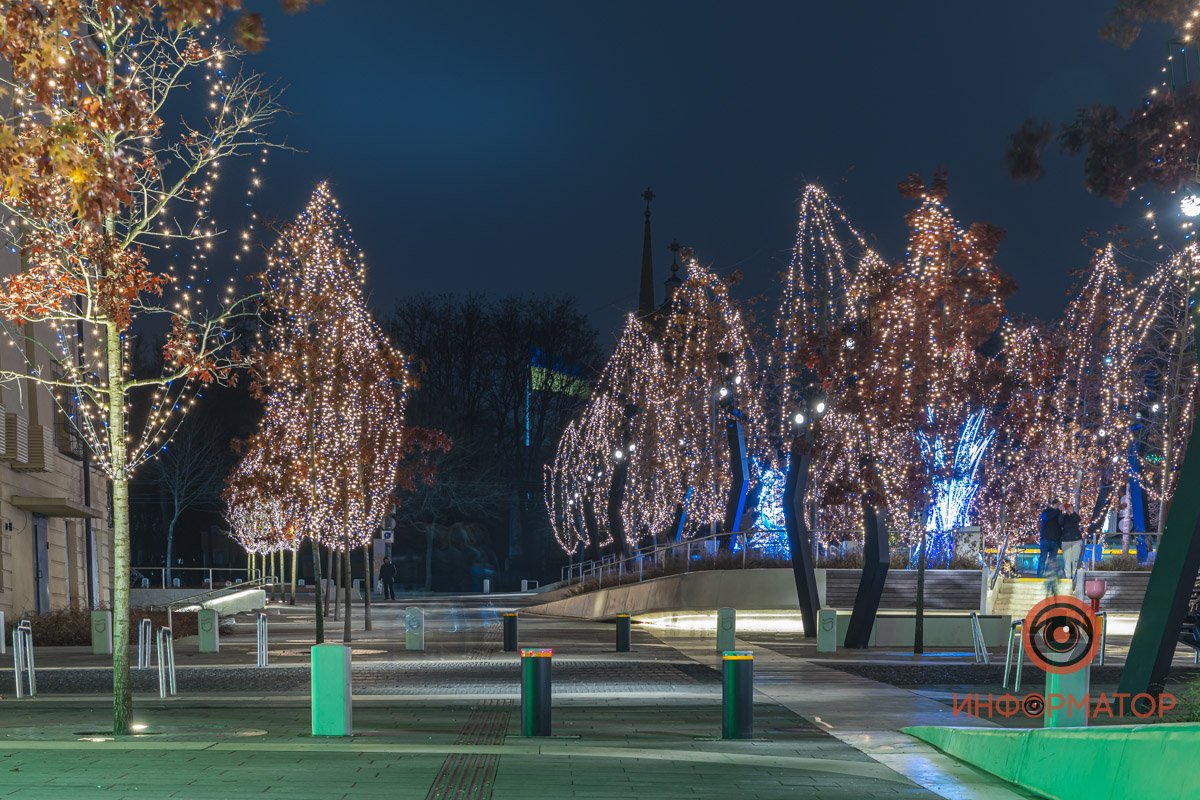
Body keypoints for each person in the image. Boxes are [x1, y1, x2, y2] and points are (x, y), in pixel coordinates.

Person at [1059, 501, 1084, 583]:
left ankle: (1075, 576)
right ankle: (1068, 577)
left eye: (1069, 507)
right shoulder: (1063, 516)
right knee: (1067, 560)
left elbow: (1077, 520)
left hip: (1076, 540)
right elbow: (1060, 522)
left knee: (1075, 560)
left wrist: (1072, 512)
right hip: (1065, 540)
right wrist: (1063, 512)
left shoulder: (1074, 516)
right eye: (1067, 508)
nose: (1068, 509)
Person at [1038, 499, 1063, 577]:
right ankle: (1040, 574)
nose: (1060, 506)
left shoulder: (1059, 514)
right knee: (1043, 558)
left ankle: (1049, 574)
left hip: (1055, 541)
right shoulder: (1046, 511)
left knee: (1052, 559)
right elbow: (1047, 517)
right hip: (1045, 539)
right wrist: (1058, 510)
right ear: (1054, 504)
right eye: (1058, 504)